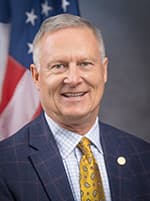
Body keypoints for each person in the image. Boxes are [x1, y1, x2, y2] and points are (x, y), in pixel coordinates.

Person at [0, 14, 150, 201]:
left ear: (104, 71)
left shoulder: (143, 157)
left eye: (85, 64)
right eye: (58, 66)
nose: (73, 79)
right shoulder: (5, 165)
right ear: (36, 77)